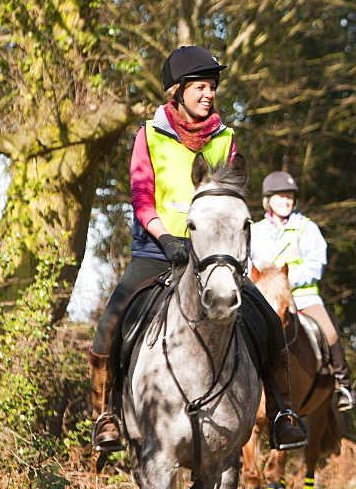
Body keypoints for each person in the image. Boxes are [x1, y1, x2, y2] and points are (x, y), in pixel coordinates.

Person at [88, 45, 306, 454]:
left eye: (213, 87)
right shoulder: (148, 135)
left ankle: (282, 415)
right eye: (200, 87)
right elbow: (142, 197)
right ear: (179, 90)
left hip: (217, 257)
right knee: (109, 325)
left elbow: (235, 197)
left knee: (270, 324)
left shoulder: (225, 139)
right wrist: (167, 239)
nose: (209, 94)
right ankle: (107, 415)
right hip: (158, 251)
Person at [250, 171, 356, 411]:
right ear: (268, 200)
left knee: (329, 333)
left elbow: (315, 264)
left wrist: (285, 282)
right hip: (265, 297)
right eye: (280, 197)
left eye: (289, 197)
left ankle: (343, 385)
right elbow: (247, 263)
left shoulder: (307, 227)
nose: (286, 201)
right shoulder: (254, 231)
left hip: (302, 295)